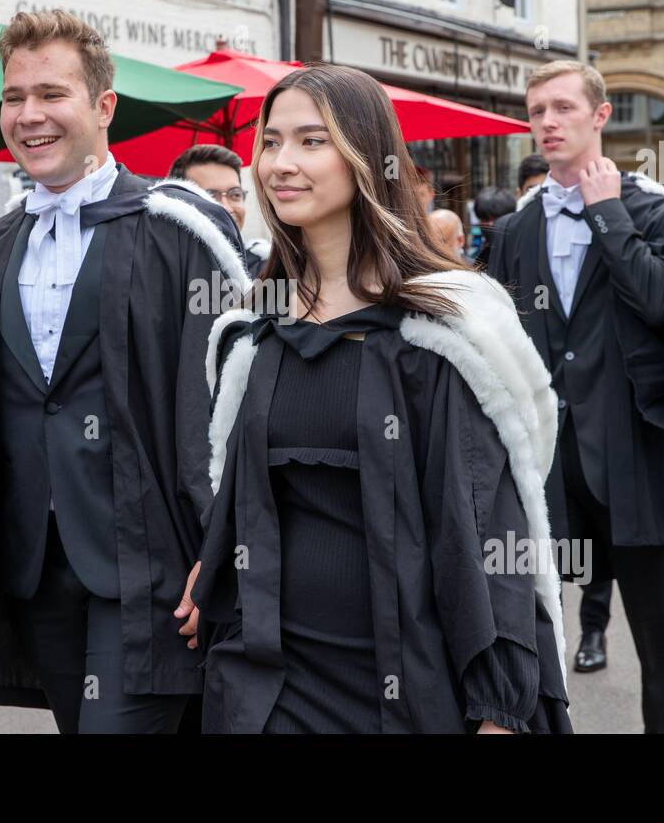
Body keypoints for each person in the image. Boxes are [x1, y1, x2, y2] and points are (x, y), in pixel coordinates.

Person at [191, 63, 570, 734]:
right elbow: (243, 493)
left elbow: (488, 526)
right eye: (271, 142)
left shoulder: (442, 333)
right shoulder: (253, 334)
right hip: (265, 681)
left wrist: (500, 711)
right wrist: (217, 560)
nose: (282, 162)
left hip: (405, 682)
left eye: (312, 141)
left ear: (369, 157)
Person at [0, 9, 243, 734]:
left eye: (51, 94)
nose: (29, 115)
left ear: (102, 106)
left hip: (152, 560)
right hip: (36, 565)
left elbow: (231, 404)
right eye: (13, 97)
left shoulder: (180, 229)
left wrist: (223, 547)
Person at [487, 60, 664, 734]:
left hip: (634, 451)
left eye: (563, 107)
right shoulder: (516, 231)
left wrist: (607, 213)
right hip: (547, 461)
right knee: (530, 618)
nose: (549, 122)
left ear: (600, 115)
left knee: (661, 633)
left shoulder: (655, 211)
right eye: (537, 112)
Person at [169, 143, 270, 278]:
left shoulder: (268, 270)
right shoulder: (164, 274)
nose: (226, 209)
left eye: (235, 194)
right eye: (210, 196)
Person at [471, 187, 516, 268]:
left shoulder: (520, 253)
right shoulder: (476, 256)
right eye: (485, 219)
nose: (490, 224)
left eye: (497, 218)